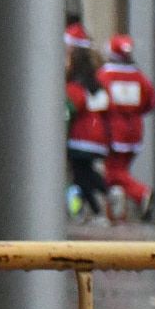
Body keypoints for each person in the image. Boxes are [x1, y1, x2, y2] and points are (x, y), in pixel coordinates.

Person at [98, 33, 155, 221]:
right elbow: (152, 102)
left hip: (113, 132)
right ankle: (118, 212)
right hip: (135, 132)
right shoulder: (139, 77)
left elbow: (98, 102)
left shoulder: (105, 75)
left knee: (112, 174)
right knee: (121, 171)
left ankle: (141, 194)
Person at [65, 32, 111, 221]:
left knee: (81, 175)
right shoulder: (97, 84)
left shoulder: (75, 87)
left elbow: (69, 110)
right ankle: (106, 194)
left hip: (80, 138)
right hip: (98, 137)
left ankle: (97, 208)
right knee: (86, 172)